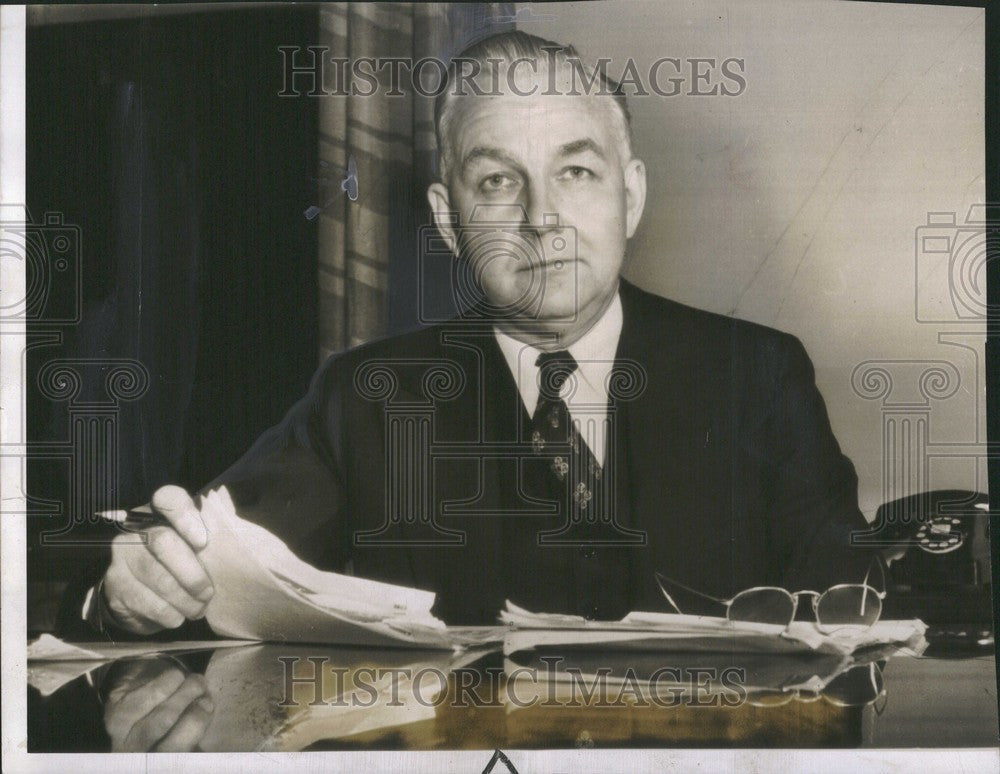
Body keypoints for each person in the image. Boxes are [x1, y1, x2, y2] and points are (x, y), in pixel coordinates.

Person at [69, 31, 877, 635]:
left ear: (630, 195)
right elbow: (213, 562)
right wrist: (134, 591)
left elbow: (851, 616)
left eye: (577, 171)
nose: (541, 219)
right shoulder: (367, 397)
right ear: (448, 221)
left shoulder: (759, 376)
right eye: (497, 182)